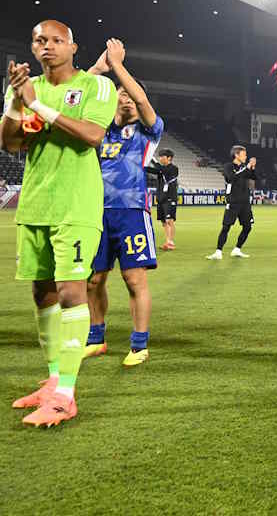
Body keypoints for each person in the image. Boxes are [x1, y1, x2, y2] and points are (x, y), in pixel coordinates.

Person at [1, 20, 117, 426]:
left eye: (55, 40)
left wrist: (36, 104)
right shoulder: (27, 87)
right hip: (35, 204)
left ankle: (67, 394)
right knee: (43, 293)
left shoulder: (95, 87)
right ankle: (52, 382)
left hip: (75, 205)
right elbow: (11, 142)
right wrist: (16, 102)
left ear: (72, 47)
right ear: (32, 48)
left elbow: (91, 135)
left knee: (72, 292)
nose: (46, 46)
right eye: (39, 40)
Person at [82, 39, 162, 366]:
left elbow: (141, 98)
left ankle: (139, 344)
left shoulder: (148, 131)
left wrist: (118, 66)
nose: (126, 95)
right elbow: (78, 94)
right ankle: (96, 338)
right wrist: (100, 69)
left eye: (130, 91)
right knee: (93, 280)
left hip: (131, 213)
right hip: (95, 213)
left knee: (134, 279)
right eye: (121, 91)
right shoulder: (99, 131)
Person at [207, 146, 256, 259]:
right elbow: (231, 178)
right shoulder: (228, 166)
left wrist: (252, 168)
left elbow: (253, 177)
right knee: (226, 227)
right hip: (233, 202)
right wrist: (247, 168)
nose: (246, 156)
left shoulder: (244, 167)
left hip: (245, 203)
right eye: (244, 154)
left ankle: (237, 249)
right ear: (236, 155)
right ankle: (218, 252)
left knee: (248, 227)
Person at [146, 148, 178, 250]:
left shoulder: (173, 168)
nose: (160, 158)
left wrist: (152, 159)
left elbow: (162, 170)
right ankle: (167, 241)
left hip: (169, 198)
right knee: (164, 222)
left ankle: (171, 242)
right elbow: (152, 170)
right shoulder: (161, 170)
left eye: (162, 156)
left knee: (170, 220)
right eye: (159, 156)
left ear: (169, 158)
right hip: (161, 199)